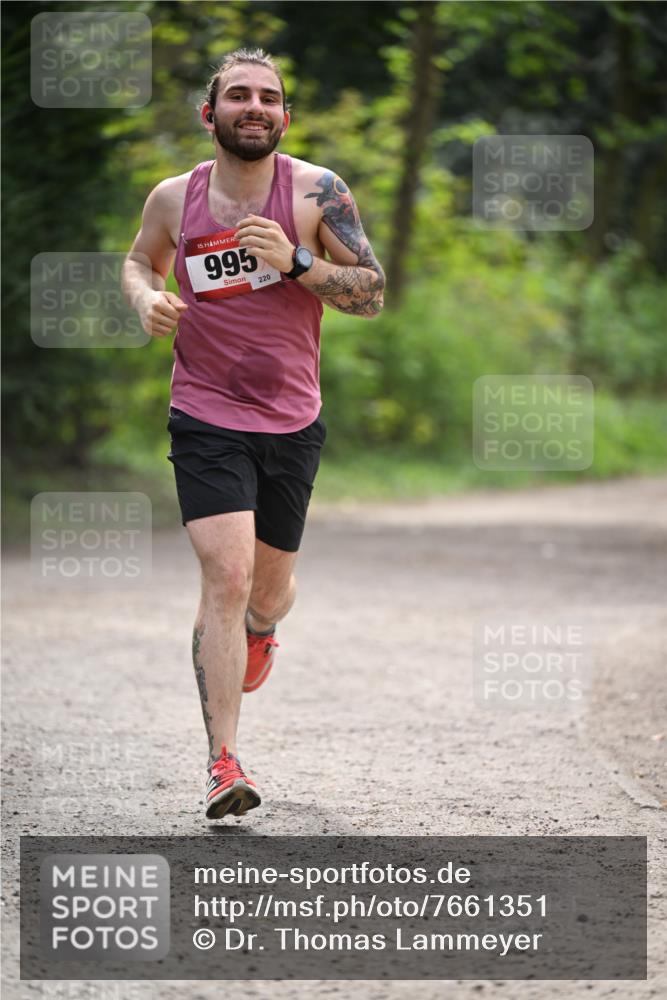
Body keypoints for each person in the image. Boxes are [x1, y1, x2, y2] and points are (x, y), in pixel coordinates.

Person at [121, 48, 385, 821]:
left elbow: (369, 294)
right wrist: (146, 300)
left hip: (292, 418)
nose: (254, 106)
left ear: (284, 116)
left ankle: (263, 630)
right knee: (226, 579)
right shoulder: (175, 199)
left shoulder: (316, 192)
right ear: (211, 115)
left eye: (268, 97)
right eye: (237, 95)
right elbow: (140, 261)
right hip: (204, 412)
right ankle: (221, 763)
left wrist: (298, 260)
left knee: (266, 592)